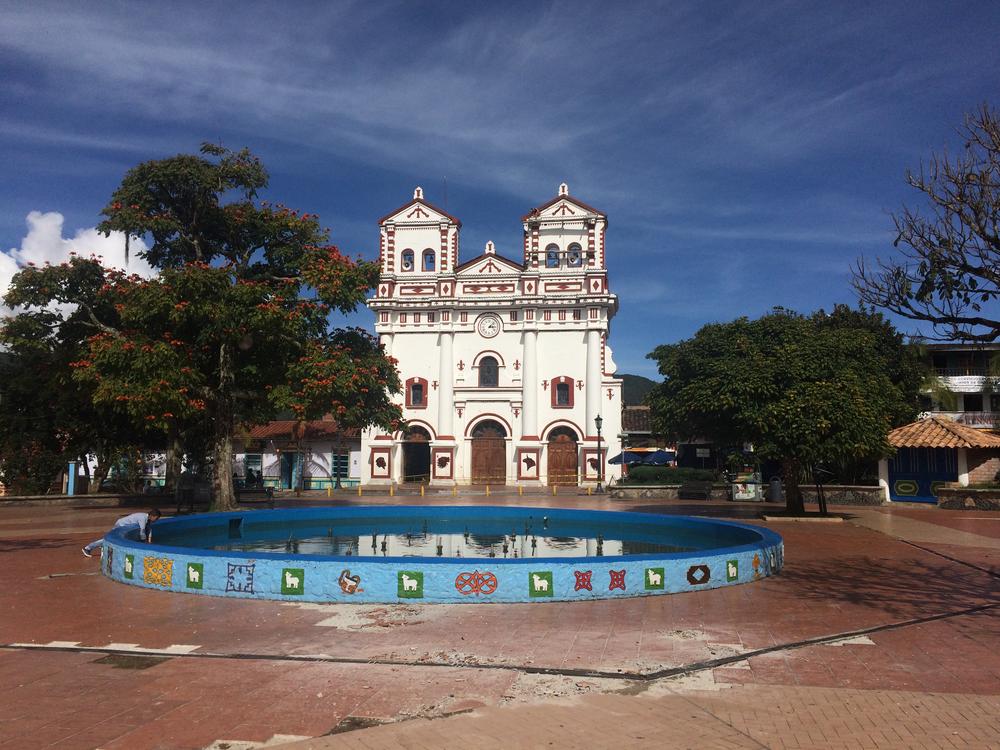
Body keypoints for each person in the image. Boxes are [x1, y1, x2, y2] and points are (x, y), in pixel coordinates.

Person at [82, 508, 161, 557]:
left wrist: (149, 540)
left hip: (123, 525)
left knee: (109, 539)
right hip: (121, 525)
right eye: (156, 518)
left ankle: (102, 545)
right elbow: (142, 532)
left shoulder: (147, 519)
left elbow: (149, 529)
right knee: (108, 539)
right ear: (152, 516)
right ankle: (88, 548)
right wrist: (145, 543)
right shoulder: (143, 518)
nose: (156, 520)